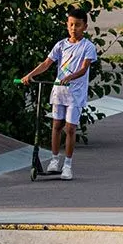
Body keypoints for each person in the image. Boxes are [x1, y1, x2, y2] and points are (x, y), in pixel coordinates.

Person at [19, 11, 97, 181]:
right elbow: (47, 63)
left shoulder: (87, 47)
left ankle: (67, 165)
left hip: (75, 93)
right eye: (70, 24)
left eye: (77, 25)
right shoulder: (61, 45)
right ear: (66, 25)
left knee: (70, 128)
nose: (73, 28)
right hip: (59, 91)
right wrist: (30, 75)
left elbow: (84, 68)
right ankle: (54, 161)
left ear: (85, 26)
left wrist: (71, 76)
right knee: (56, 126)